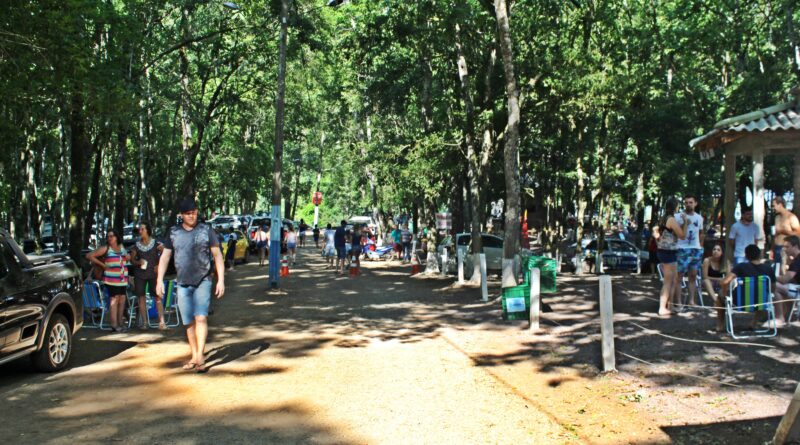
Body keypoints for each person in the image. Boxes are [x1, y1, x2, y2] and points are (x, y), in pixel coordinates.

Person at [156, 198, 225, 373]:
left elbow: (217, 256)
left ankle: (200, 357)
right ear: (181, 215)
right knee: (188, 322)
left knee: (201, 317)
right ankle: (194, 355)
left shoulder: (206, 230)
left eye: (194, 212)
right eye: (188, 213)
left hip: (203, 280)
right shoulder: (173, 233)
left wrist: (221, 280)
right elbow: (164, 257)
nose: (192, 216)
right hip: (183, 283)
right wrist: (159, 281)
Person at [720, 244, 776, 331]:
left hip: (740, 302)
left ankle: (720, 325)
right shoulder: (768, 269)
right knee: (762, 295)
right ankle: (754, 323)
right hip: (761, 303)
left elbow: (725, 282)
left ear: (746, 256)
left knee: (719, 298)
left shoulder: (741, 267)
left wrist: (724, 293)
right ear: (760, 255)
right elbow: (773, 287)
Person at [86, 229, 130, 332]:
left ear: (116, 237)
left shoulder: (121, 247)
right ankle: (114, 324)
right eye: (108, 236)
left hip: (122, 278)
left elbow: (126, 258)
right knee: (114, 300)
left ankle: (120, 322)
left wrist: (127, 257)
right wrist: (103, 265)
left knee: (122, 299)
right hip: (111, 279)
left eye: (112, 236)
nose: (109, 238)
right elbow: (89, 256)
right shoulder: (106, 248)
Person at [655, 197, 688, 316]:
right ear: (675, 207)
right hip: (668, 252)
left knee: (673, 280)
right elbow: (682, 235)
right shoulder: (671, 220)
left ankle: (671, 305)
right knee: (668, 281)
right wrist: (686, 223)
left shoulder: (663, 218)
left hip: (665, 250)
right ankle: (662, 307)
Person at [129, 222, 165, 330]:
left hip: (153, 274)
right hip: (140, 274)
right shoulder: (136, 246)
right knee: (141, 298)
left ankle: (162, 322)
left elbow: (166, 255)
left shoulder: (156, 243)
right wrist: (138, 261)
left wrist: (159, 264)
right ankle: (145, 322)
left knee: (157, 297)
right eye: (140, 229)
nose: (140, 231)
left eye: (142, 229)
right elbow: (132, 260)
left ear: (148, 230)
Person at [675, 195, 704, 306]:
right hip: (682, 249)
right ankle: (679, 302)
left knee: (693, 275)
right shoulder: (678, 217)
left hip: (695, 249)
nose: (688, 204)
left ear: (695, 203)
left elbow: (701, 232)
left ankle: (691, 301)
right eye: (686, 202)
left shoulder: (699, 218)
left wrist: (700, 246)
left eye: (690, 202)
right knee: (679, 277)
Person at [774, 235, 800, 325]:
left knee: (775, 286)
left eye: (787, 247)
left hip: (798, 290)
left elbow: (784, 279)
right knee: (785, 288)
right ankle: (788, 315)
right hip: (796, 287)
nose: (784, 249)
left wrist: (772, 277)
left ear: (795, 246)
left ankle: (780, 318)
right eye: (784, 247)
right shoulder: (795, 260)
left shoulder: (797, 261)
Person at [772, 197, 800, 272]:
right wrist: (772, 249)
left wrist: (785, 231)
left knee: (783, 269)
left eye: (774, 205)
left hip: (785, 249)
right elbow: (775, 234)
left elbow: (798, 233)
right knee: (776, 270)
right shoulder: (777, 218)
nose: (773, 208)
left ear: (780, 205)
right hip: (776, 247)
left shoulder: (791, 217)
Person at [702, 243, 726, 329]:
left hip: (720, 283)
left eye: (718, 250)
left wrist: (721, 280)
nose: (715, 251)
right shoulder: (707, 260)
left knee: (725, 282)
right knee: (706, 281)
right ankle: (716, 301)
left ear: (722, 253)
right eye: (714, 249)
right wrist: (717, 279)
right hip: (709, 282)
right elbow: (705, 276)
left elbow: (728, 276)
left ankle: (719, 301)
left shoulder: (725, 262)